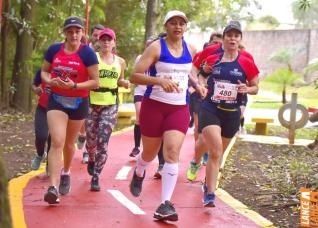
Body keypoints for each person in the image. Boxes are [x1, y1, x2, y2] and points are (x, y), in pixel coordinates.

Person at [129, 10, 196, 221]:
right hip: (154, 107)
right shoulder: (156, 47)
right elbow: (134, 76)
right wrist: (159, 81)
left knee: (172, 152)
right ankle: (140, 170)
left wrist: (199, 85)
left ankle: (165, 204)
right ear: (166, 26)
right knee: (149, 153)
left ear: (185, 27)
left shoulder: (191, 49)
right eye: (173, 23)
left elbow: (190, 73)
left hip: (179, 108)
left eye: (181, 23)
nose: (177, 26)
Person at [197, 20, 259, 207]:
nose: (232, 38)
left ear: (240, 39)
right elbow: (201, 73)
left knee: (218, 154)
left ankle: (206, 183)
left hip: (232, 113)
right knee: (215, 150)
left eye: (236, 36)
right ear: (223, 39)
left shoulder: (247, 62)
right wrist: (201, 81)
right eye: (229, 35)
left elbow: (256, 88)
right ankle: (210, 194)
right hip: (210, 108)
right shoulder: (213, 57)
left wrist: (246, 89)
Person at [41, 16, 99, 204]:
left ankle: (66, 172)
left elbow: (95, 82)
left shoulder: (88, 53)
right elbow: (44, 71)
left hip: (78, 102)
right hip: (56, 100)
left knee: (68, 144)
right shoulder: (54, 50)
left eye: (77, 31)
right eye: (70, 31)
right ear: (64, 32)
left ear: (82, 33)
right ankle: (53, 187)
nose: (74, 34)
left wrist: (74, 86)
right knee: (57, 141)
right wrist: (50, 81)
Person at [85, 28, 130, 191]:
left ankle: (96, 175)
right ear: (98, 42)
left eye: (109, 39)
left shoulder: (120, 62)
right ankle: (91, 157)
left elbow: (120, 79)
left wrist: (123, 83)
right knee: (91, 139)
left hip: (110, 104)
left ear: (114, 42)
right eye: (103, 39)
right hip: (92, 103)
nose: (105, 42)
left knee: (102, 141)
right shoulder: (93, 58)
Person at [129, 35, 166, 179]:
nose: (150, 47)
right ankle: (137, 146)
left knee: (161, 131)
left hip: (157, 94)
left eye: (153, 44)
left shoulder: (162, 58)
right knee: (139, 117)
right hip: (142, 90)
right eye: (148, 44)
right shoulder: (140, 58)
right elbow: (134, 76)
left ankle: (162, 163)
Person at [77, 24, 105, 164]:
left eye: (101, 36)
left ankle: (87, 152)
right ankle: (82, 135)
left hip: (98, 93)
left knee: (93, 124)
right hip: (83, 88)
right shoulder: (83, 49)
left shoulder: (107, 52)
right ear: (91, 36)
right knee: (84, 120)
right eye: (95, 35)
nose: (98, 38)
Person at [31, 69, 51, 173]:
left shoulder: (66, 70)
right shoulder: (44, 70)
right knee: (41, 136)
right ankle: (40, 154)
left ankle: (50, 163)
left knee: (53, 139)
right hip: (42, 108)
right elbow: (34, 84)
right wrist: (36, 89)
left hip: (58, 110)